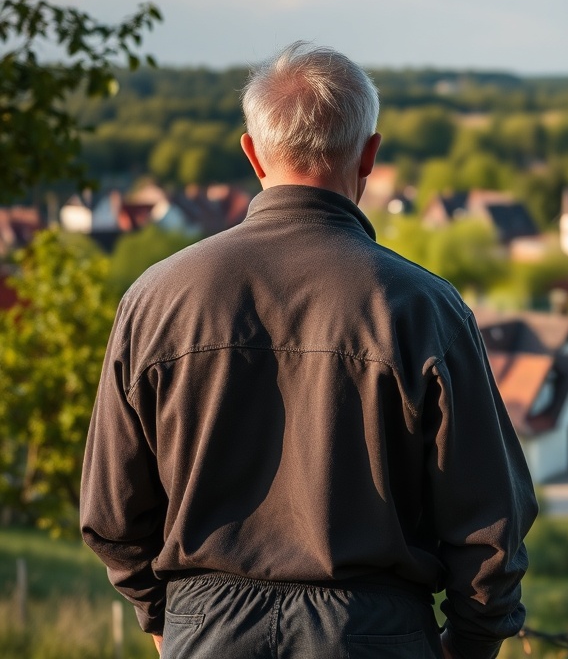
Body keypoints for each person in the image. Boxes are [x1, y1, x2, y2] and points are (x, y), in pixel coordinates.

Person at [80, 41, 537, 659]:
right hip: (375, 637)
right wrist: (467, 646)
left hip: (206, 633)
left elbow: (111, 514)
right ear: (370, 154)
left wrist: (173, 626)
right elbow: (490, 527)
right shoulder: (422, 309)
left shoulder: (154, 301)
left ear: (251, 152)